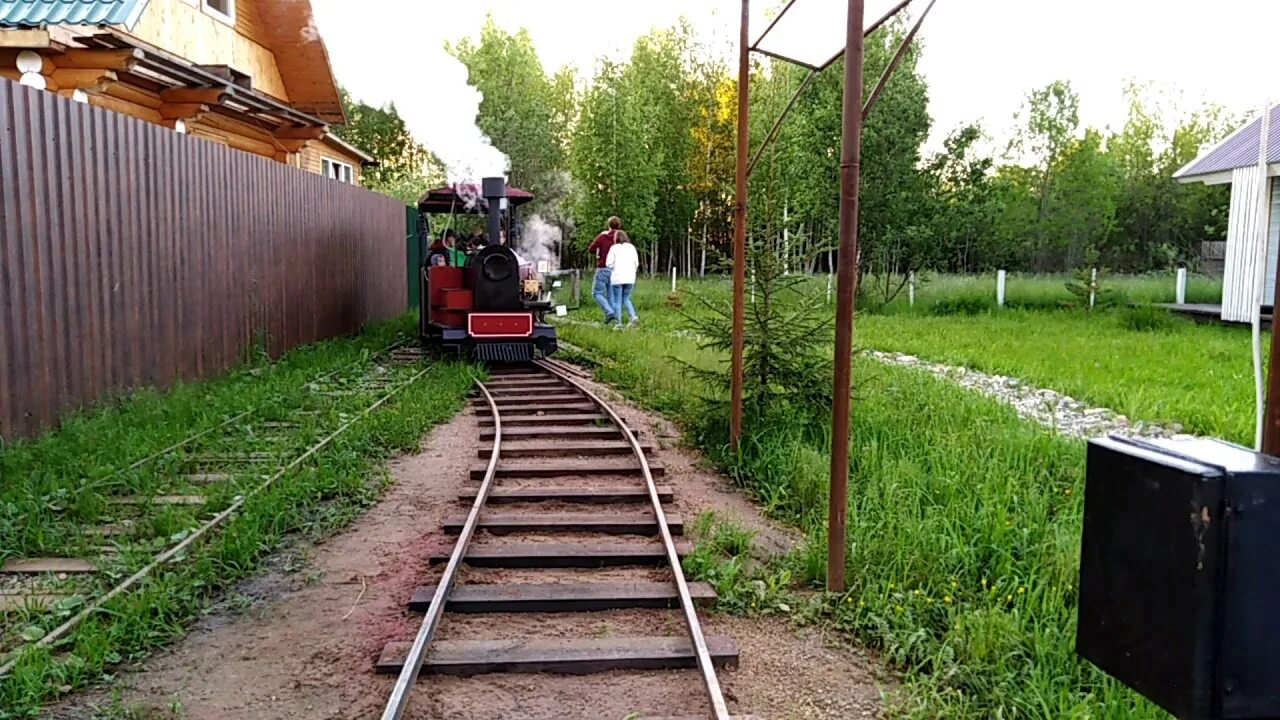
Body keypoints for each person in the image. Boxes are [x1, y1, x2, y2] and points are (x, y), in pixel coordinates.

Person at [587, 216, 621, 324]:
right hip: (615, 270)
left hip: (603, 268)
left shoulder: (603, 237)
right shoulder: (621, 238)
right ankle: (614, 321)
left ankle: (609, 312)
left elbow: (591, 249)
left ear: (609, 225)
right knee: (611, 295)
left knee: (596, 293)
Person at [605, 230, 640, 328]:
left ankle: (618, 323)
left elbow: (608, 263)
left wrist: (613, 268)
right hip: (630, 277)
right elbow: (636, 263)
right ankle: (633, 316)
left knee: (617, 301)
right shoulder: (632, 247)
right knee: (626, 298)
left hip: (617, 278)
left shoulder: (614, 248)